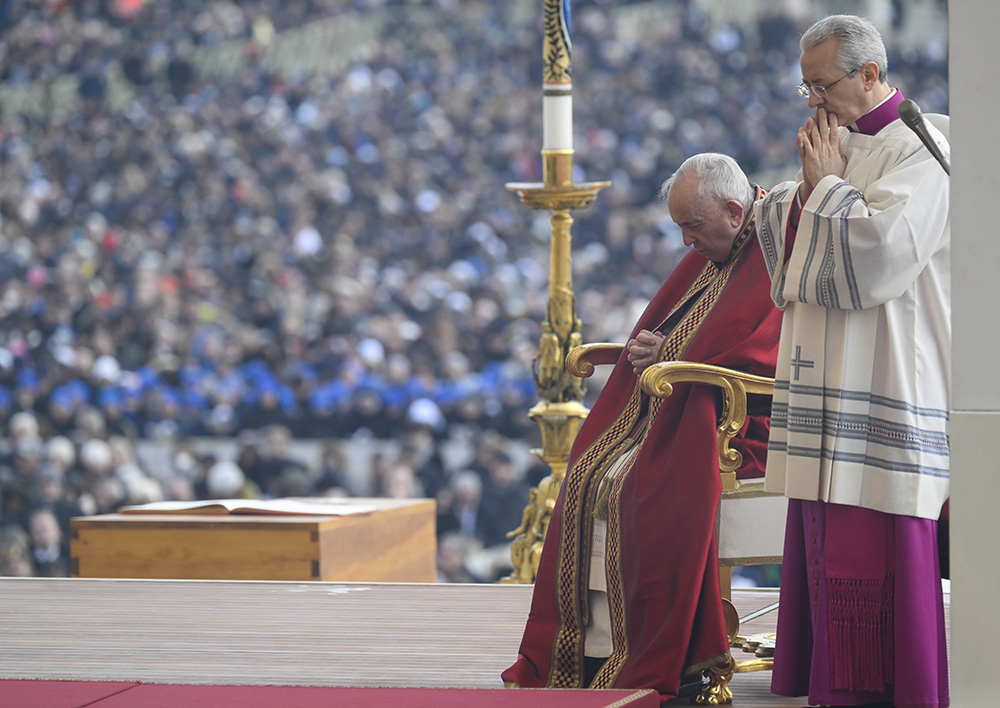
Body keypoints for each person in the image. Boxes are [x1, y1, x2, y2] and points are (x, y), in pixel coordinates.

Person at [502, 153, 782, 701]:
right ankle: (590, 652)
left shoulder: (775, 241)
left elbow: (767, 353)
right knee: (589, 470)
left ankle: (663, 651)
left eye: (692, 228)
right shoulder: (722, 240)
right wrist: (664, 349)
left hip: (744, 427)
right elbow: (681, 323)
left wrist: (673, 353)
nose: (685, 243)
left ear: (732, 210)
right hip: (683, 402)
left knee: (644, 483)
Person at [754, 15, 950, 708]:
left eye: (823, 84)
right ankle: (830, 682)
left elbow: (881, 255)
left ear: (871, 74)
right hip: (834, 378)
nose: (812, 101)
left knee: (880, 539)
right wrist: (804, 194)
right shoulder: (838, 143)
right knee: (824, 531)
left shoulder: (926, 148)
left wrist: (826, 190)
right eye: (804, 86)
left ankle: (894, 687)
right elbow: (788, 220)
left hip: (889, 374)